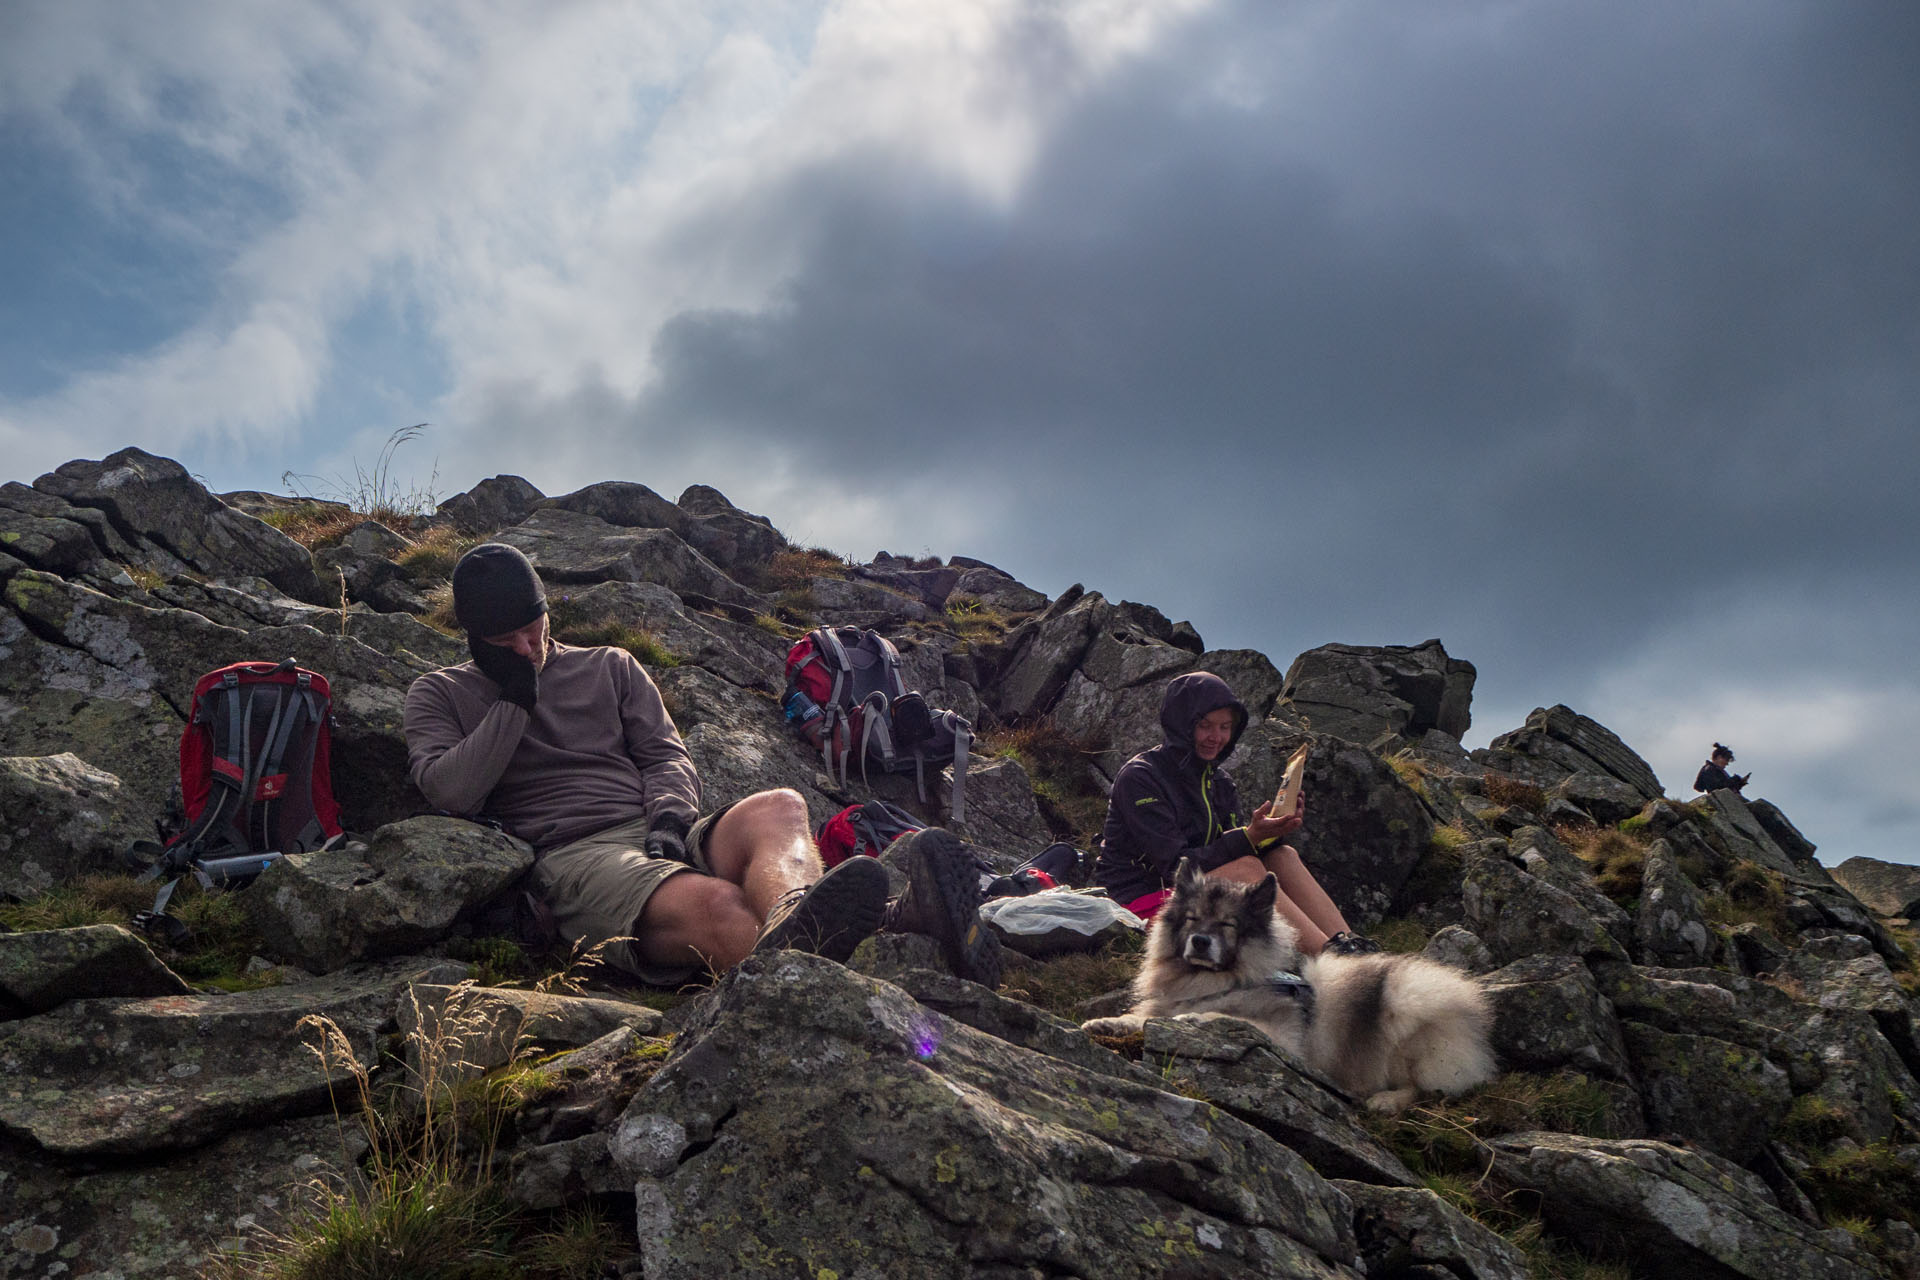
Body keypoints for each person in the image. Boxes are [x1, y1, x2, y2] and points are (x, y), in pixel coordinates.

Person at [403, 543, 1001, 987]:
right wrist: (514, 698)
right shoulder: (439, 694)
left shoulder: (609, 666)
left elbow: (665, 754)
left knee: (782, 807)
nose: (530, 650)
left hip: (660, 829)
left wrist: (667, 820)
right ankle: (894, 939)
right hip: (574, 857)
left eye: (535, 630)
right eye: (508, 643)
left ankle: (803, 917)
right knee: (719, 903)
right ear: (476, 639)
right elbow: (451, 792)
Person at [1095, 671, 1380, 956]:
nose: (1215, 737)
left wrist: (1269, 834)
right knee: (1246, 870)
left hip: (1196, 892)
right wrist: (1248, 837)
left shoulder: (1220, 783)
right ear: (1182, 724)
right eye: (1205, 725)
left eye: (1225, 727)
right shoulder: (1142, 777)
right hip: (1136, 902)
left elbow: (1224, 850)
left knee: (1283, 856)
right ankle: (1332, 961)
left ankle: (1350, 944)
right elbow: (1175, 866)